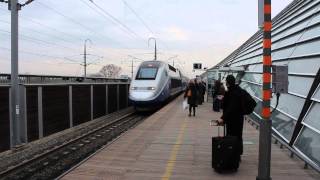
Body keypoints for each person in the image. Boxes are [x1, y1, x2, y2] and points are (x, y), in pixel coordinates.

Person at [218, 75, 244, 156]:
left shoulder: (231, 92)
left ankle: (233, 154)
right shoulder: (240, 90)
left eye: (226, 81)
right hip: (240, 118)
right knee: (239, 135)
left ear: (228, 82)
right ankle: (239, 153)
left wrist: (223, 118)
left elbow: (230, 108)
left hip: (232, 119)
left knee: (231, 136)